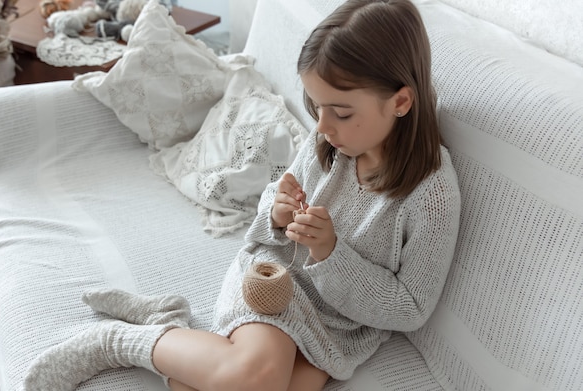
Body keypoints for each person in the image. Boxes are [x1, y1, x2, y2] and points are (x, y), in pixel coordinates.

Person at [24, 0, 461, 390]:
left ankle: (168, 324)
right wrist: (275, 211)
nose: (323, 126)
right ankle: (116, 341)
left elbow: (410, 309)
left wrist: (331, 253)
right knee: (256, 379)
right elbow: (267, 225)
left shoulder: (432, 194)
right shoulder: (329, 145)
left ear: (401, 101)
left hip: (339, 325)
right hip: (274, 284)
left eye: (341, 112)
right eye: (316, 107)